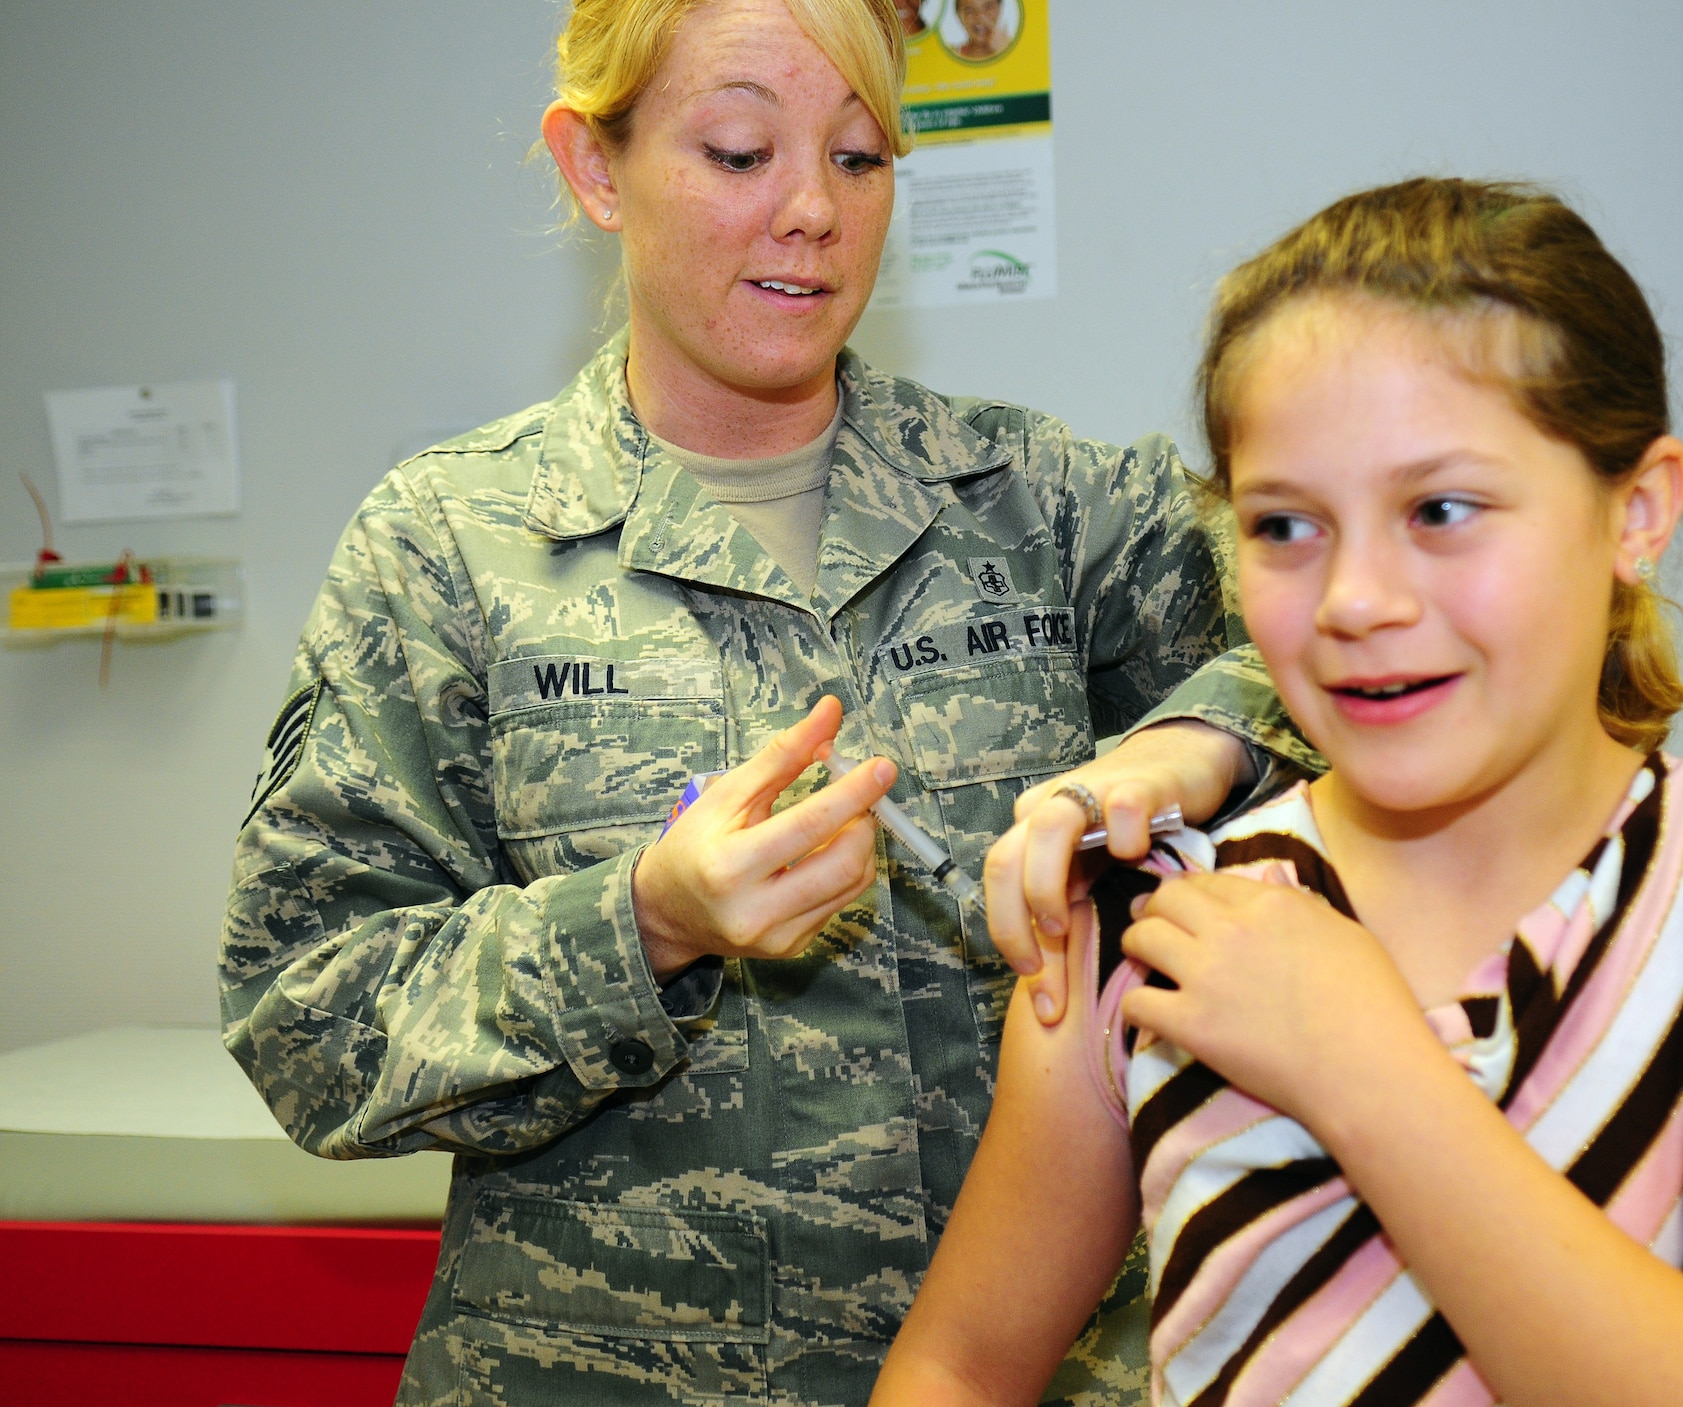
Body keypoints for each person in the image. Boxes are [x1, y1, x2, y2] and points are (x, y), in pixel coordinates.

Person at [216, 2, 1306, 1404]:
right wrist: (644, 920)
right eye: (739, 151)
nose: (811, 211)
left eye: (862, 159)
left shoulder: (1060, 509)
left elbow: (1369, 664)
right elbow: (309, 1019)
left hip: (1041, 1367)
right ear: (595, 168)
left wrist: (1187, 741)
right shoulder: (451, 543)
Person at [870, 178, 1683, 1407]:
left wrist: (1364, 1069)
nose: (1353, 602)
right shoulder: (1155, 919)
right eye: (1285, 526)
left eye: (1440, 509)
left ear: (1636, 511)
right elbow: (959, 1367)